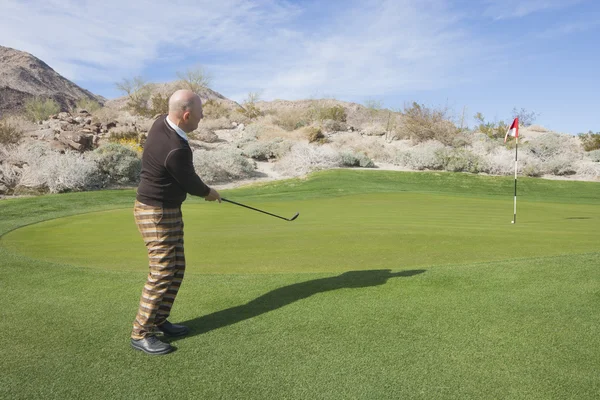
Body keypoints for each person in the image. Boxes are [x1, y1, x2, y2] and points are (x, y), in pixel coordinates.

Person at [131, 89, 221, 355]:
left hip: (166, 208)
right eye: (200, 114)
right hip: (155, 212)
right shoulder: (176, 149)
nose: (202, 117)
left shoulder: (161, 121)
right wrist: (210, 193)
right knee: (162, 271)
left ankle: (159, 319)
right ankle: (141, 332)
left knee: (177, 266)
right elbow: (192, 184)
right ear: (186, 115)